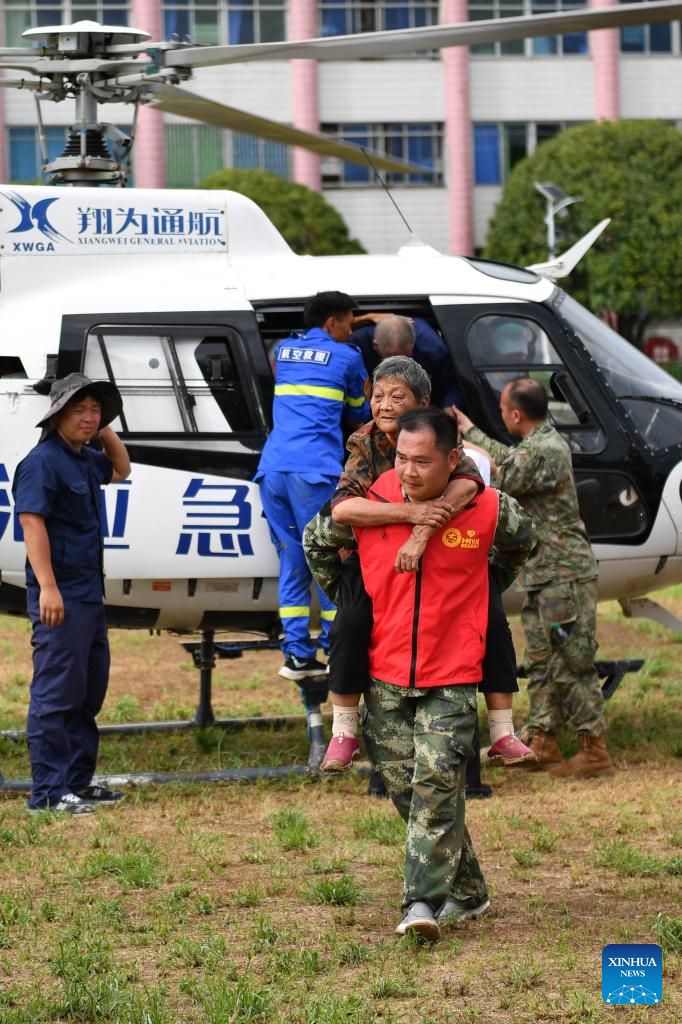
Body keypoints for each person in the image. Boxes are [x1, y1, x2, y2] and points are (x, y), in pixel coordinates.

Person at [324, 407, 534, 938]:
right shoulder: (371, 501)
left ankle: (420, 903)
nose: (410, 471)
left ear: (453, 460)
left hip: (453, 673)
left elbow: (522, 541)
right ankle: (469, 891)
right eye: (401, 458)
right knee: (405, 790)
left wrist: (480, 593)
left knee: (437, 785)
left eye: (423, 461)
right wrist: (356, 596)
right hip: (385, 674)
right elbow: (318, 541)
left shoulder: (486, 506)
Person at [303, 357, 536, 774]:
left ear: (422, 402)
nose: (385, 405)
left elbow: (469, 484)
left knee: (493, 619)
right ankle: (343, 729)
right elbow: (341, 509)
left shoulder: (438, 435)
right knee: (351, 621)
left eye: (398, 397)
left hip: (443, 556)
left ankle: (503, 731)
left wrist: (426, 533)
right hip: (375, 554)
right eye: (377, 395)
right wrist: (408, 516)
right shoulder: (364, 441)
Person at [452, 377, 613, 778]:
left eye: (504, 410)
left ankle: (595, 749)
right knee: (541, 660)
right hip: (545, 574)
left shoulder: (546, 449)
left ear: (516, 414)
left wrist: (462, 447)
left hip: (564, 575)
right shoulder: (537, 445)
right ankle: (543, 740)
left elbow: (503, 474)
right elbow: (509, 459)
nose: (503, 416)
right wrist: (469, 431)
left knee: (571, 661)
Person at [13, 373, 131, 814]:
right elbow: (31, 523)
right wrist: (47, 587)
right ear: (57, 414)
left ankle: (76, 784)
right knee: (56, 695)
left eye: (95, 410)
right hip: (59, 596)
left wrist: (102, 426)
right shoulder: (43, 462)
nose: (88, 417)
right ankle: (47, 792)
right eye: (79, 410)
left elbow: (122, 469)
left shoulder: (83, 458)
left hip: (87, 595)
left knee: (86, 692)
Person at [255, 291, 370, 681]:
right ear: (332, 323)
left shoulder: (285, 350)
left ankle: (297, 656)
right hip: (313, 471)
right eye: (349, 323)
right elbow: (358, 413)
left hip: (272, 471)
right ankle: (337, 652)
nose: (350, 331)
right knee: (329, 557)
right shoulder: (349, 357)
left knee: (292, 557)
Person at [351, 313, 464, 408]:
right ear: (375, 346)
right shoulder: (358, 342)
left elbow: (450, 384)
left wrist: (449, 408)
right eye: (391, 358)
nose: (398, 365)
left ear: (412, 345)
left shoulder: (433, 349)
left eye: (404, 357)